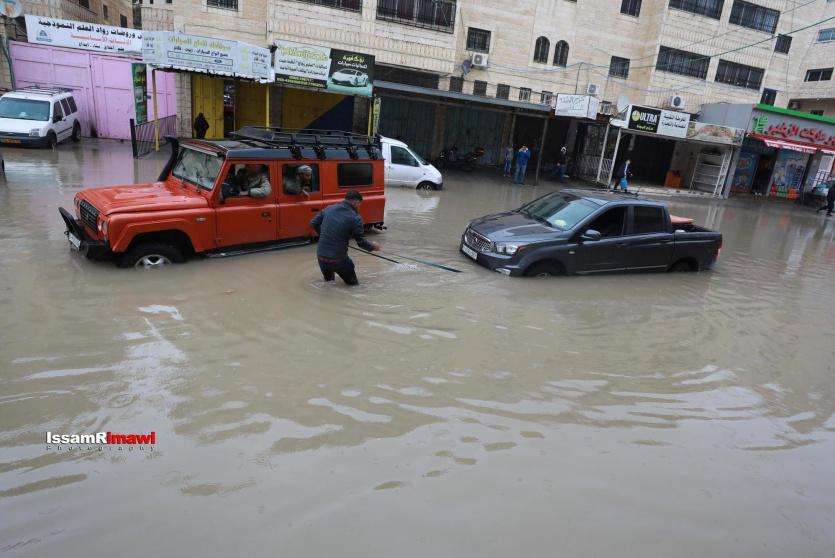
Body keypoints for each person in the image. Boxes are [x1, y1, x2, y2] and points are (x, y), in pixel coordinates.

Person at [310, 190, 381, 286]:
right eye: (359, 204)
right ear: (355, 202)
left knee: (329, 284)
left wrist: (324, 235)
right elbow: (361, 243)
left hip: (321, 256)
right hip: (338, 259)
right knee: (354, 287)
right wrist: (373, 246)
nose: (358, 207)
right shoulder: (356, 218)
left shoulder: (329, 208)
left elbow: (313, 223)